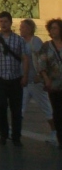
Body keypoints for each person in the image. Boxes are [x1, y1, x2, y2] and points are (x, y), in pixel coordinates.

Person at [0, 10, 29, 145]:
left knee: (16, 109)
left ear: (10, 22)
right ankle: (3, 133)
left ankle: (16, 136)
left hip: (15, 78)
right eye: (1, 21)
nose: (3, 24)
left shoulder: (19, 40)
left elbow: (25, 58)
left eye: (5, 21)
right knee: (0, 106)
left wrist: (25, 76)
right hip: (0, 78)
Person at [20, 18, 55, 135]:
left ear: (30, 29)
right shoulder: (21, 41)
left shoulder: (35, 41)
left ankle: (55, 132)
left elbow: (42, 60)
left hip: (36, 81)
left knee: (46, 108)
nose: (20, 29)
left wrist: (40, 75)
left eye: (23, 27)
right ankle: (16, 130)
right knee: (20, 108)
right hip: (25, 81)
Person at [36, 18, 62, 146]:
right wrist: (46, 78)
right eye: (51, 28)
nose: (53, 30)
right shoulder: (46, 46)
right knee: (57, 111)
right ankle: (60, 138)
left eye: (55, 28)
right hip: (54, 85)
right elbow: (41, 63)